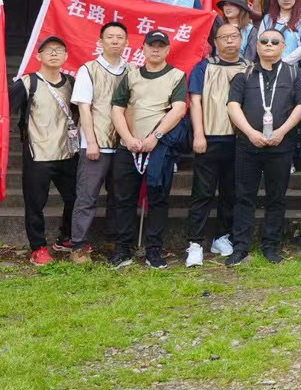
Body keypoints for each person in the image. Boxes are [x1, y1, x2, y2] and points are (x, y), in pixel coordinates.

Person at [225, 29, 301, 265]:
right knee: (244, 196)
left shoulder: (295, 74)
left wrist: (282, 132)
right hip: (248, 145)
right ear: (257, 46)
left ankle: (271, 245)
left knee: (276, 197)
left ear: (283, 47)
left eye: (275, 41)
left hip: (281, 145)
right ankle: (240, 246)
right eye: (264, 41)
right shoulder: (244, 75)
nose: (269, 45)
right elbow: (233, 106)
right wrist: (250, 133)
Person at [108, 30, 188, 269]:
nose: (155, 49)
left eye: (160, 46)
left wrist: (156, 136)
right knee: (123, 198)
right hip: (128, 146)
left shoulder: (176, 75)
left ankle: (154, 250)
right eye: (151, 45)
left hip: (159, 147)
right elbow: (117, 109)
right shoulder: (131, 76)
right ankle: (123, 248)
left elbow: (179, 109)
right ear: (142, 48)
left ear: (168, 49)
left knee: (158, 198)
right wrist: (127, 138)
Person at [10, 36, 79, 265]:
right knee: (35, 202)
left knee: (75, 197)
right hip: (37, 153)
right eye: (48, 50)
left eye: (59, 50)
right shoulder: (27, 83)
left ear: (66, 56)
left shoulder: (72, 83)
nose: (54, 53)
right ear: (38, 56)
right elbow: (2, 110)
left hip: (68, 152)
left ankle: (66, 237)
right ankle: (38, 247)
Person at [184, 22, 247, 267]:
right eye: (224, 37)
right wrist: (198, 134)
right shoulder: (204, 67)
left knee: (231, 191)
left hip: (239, 140)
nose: (230, 41)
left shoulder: (249, 67)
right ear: (215, 42)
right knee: (203, 192)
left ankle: (222, 237)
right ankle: (195, 243)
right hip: (210, 138)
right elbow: (195, 102)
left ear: (241, 39)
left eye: (234, 36)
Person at [70, 21, 130, 263]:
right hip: (96, 144)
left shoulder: (132, 70)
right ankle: (78, 245)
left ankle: (114, 240)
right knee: (87, 196)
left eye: (120, 37)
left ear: (126, 43)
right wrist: (91, 142)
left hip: (123, 144)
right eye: (110, 37)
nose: (115, 41)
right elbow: (84, 108)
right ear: (100, 41)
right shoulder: (88, 69)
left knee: (119, 196)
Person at [258, 0, 301, 66]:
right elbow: (260, 42)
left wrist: (282, 62)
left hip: (293, 69)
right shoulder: (267, 19)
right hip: (268, 66)